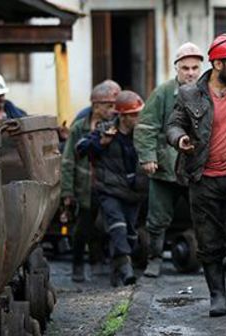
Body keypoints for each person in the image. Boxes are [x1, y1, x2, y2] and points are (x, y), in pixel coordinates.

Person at [166, 33, 226, 317]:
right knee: (208, 243)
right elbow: (173, 124)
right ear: (218, 64)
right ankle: (217, 294)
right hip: (202, 178)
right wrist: (180, 139)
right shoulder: (189, 93)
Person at [134, 42, 204, 278]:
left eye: (195, 67)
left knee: (204, 215)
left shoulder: (207, 93)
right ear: (177, 68)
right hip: (166, 168)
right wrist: (148, 157)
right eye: (185, 68)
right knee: (157, 219)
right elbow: (146, 127)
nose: (191, 73)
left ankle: (207, 260)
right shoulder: (163, 93)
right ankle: (154, 259)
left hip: (197, 168)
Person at [76, 90, 147, 287]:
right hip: (110, 190)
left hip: (134, 192)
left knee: (131, 233)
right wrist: (101, 142)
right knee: (118, 226)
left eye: (139, 113)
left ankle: (118, 270)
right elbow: (81, 148)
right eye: (133, 114)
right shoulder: (106, 129)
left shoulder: (144, 134)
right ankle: (126, 267)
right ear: (122, 116)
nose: (138, 118)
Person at [61, 82, 119, 282]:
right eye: (108, 106)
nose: (112, 110)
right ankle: (78, 266)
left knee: (105, 226)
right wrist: (67, 193)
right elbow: (68, 160)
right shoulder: (80, 128)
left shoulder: (113, 127)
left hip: (106, 186)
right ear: (96, 106)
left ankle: (100, 264)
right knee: (81, 229)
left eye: (114, 106)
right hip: (84, 188)